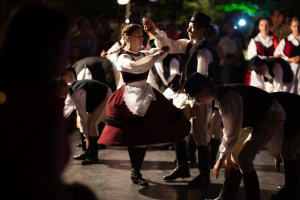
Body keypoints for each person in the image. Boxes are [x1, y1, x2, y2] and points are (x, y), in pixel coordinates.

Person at [0, 2, 97, 200]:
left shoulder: (10, 93)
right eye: (64, 40)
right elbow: (44, 185)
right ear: (47, 47)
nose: (68, 49)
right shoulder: (43, 106)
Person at [97, 23, 191, 186]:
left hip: (145, 94)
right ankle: (136, 171)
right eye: (139, 35)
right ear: (129, 38)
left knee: (143, 135)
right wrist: (155, 55)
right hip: (129, 96)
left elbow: (165, 48)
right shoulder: (124, 57)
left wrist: (156, 33)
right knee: (135, 135)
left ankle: (137, 171)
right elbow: (138, 66)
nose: (142, 37)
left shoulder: (143, 53)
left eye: (142, 34)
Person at [184, 72, 286, 200]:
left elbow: (231, 133)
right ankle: (224, 198)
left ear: (205, 89)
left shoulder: (227, 97)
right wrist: (225, 156)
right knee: (233, 158)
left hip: (271, 116)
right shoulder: (222, 95)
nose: (198, 101)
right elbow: (233, 131)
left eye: (197, 97)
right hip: (259, 120)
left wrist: (220, 158)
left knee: (244, 158)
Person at [144, 11, 214, 187]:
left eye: (192, 28)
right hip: (187, 97)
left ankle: (204, 175)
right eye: (189, 27)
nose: (188, 30)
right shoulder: (189, 44)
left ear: (202, 30)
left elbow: (202, 78)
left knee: (200, 137)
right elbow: (169, 45)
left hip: (200, 98)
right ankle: (182, 166)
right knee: (176, 127)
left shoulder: (203, 51)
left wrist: (197, 101)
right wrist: (155, 31)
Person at [206, 92, 300, 200]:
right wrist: (225, 156)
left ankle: (293, 191)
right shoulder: (241, 107)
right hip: (286, 115)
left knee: (289, 150)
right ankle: (225, 197)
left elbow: (273, 131)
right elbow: (235, 140)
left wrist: (276, 154)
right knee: (238, 156)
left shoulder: (243, 107)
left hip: (295, 114)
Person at [55, 78, 112, 165]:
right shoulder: (70, 89)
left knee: (92, 124)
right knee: (85, 125)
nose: (59, 96)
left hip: (105, 95)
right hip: (95, 100)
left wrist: (87, 136)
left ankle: (93, 156)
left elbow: (83, 116)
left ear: (62, 88)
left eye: (58, 93)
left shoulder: (76, 92)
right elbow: (66, 110)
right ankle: (87, 153)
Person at [248, 18, 293, 93]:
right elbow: (253, 58)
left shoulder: (275, 39)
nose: (264, 28)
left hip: (274, 68)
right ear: (259, 27)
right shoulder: (254, 41)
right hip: (264, 70)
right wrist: (271, 58)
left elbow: (279, 55)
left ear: (270, 26)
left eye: (267, 25)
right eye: (262, 25)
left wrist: (263, 58)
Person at [274, 17, 300, 94]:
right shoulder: (285, 41)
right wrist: (289, 59)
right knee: (290, 91)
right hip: (289, 69)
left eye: (298, 26)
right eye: (294, 26)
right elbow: (277, 55)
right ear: (291, 27)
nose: (297, 28)